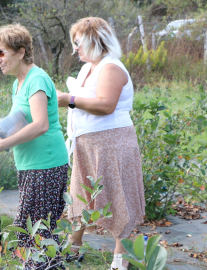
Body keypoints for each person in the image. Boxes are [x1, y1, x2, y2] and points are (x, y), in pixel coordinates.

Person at [0, 23, 69, 270]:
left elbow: (41, 125)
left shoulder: (37, 79)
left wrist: (4, 144)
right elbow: (22, 121)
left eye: (1, 53)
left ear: (21, 52)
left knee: (33, 231)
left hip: (45, 164)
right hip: (30, 165)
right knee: (36, 231)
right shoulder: (19, 83)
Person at [57, 17, 145, 270]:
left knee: (118, 200)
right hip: (88, 144)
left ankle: (120, 263)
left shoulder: (111, 68)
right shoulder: (89, 68)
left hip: (112, 144)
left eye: (79, 43)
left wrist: (70, 99)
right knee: (81, 196)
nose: (76, 50)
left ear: (95, 41)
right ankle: (73, 249)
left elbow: (106, 105)